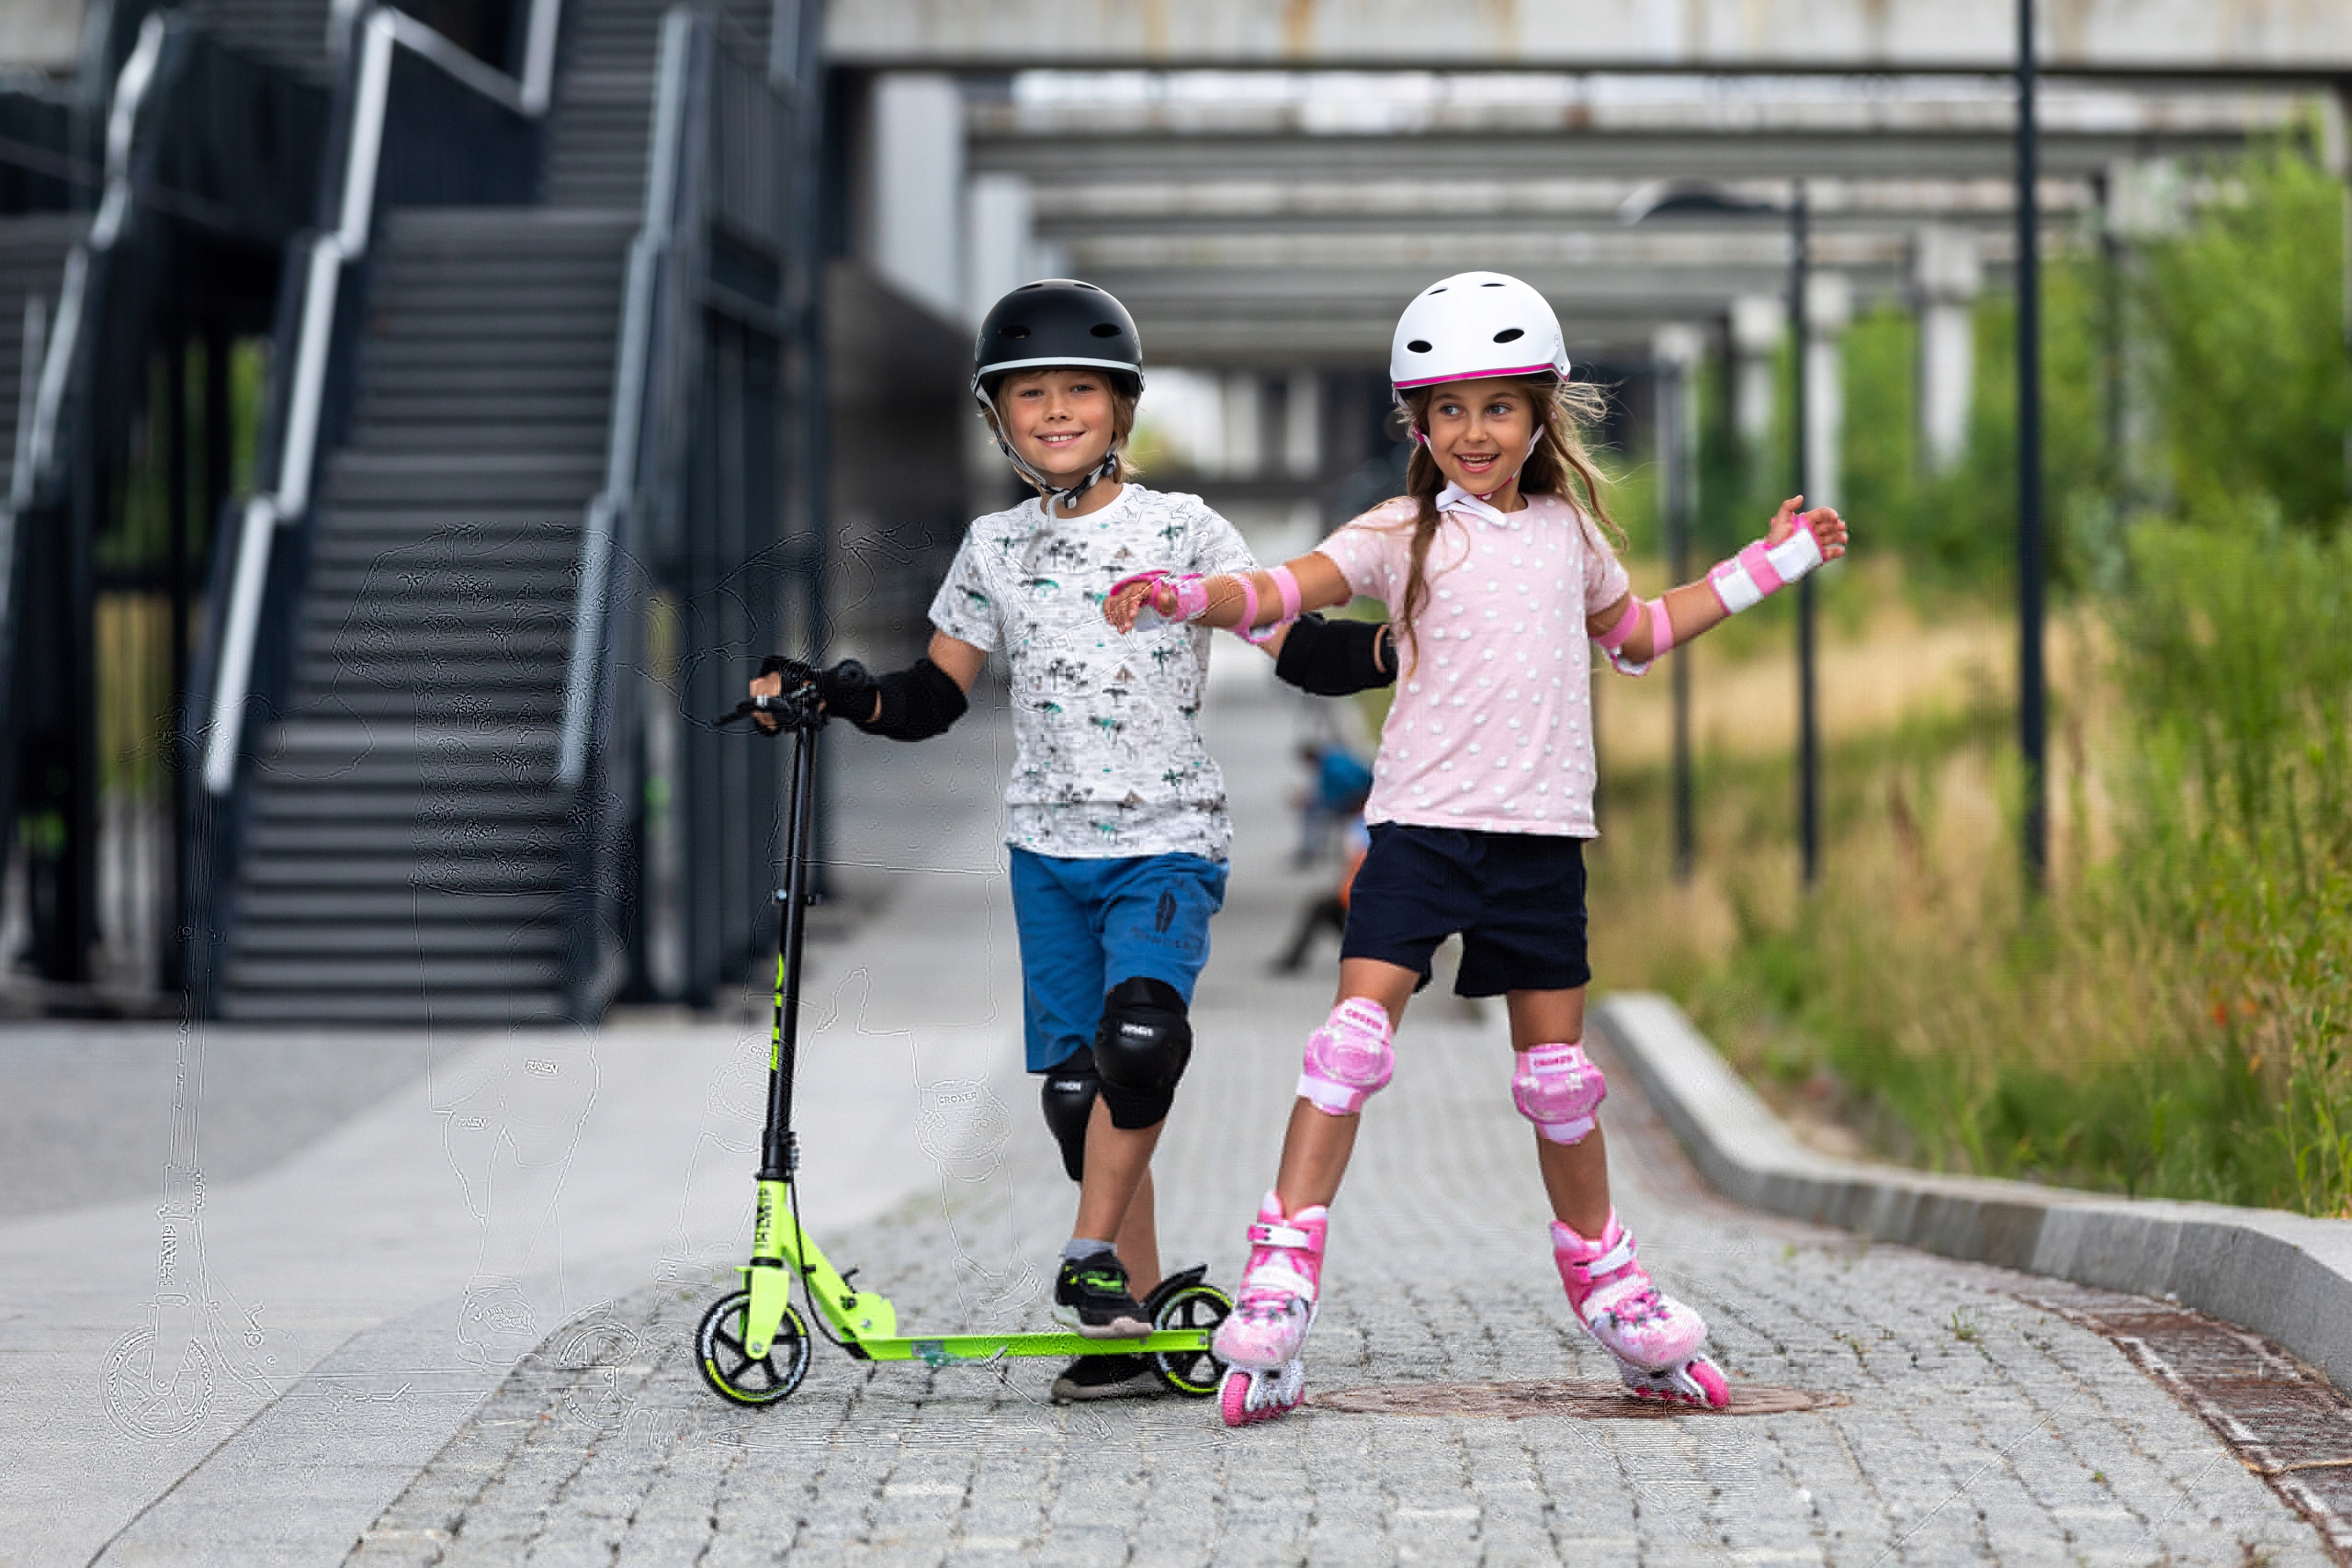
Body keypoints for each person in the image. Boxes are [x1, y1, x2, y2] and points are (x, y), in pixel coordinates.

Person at [1103, 270, 1849, 1426]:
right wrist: (1187, 595)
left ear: (1540, 414)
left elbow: (1639, 634)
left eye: (1497, 407)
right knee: (1348, 1048)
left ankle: (1612, 1287)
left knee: (1559, 1083)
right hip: (1420, 832)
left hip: (1541, 842)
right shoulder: (1399, 533)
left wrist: (1775, 563)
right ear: (1417, 425)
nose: (1473, 432)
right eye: (1447, 410)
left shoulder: (1569, 535)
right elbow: (1286, 590)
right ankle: (1279, 1277)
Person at [747, 279, 1367, 1404]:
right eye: (1029, 395)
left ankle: (1084, 1255)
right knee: (1081, 1094)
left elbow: (1301, 648)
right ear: (999, 416)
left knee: (1140, 1040)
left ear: (1120, 407)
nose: (1055, 412)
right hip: (1046, 851)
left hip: (1167, 840)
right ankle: (1129, 1319)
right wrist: (832, 693)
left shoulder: (1186, 530)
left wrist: (1402, 649)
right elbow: (932, 696)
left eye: (1079, 390)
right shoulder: (992, 547)